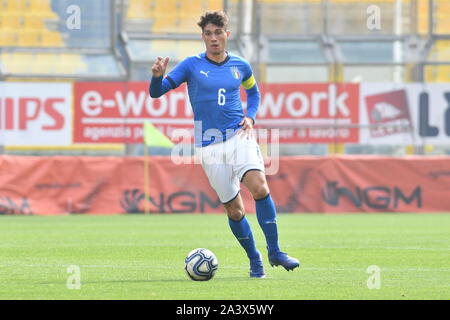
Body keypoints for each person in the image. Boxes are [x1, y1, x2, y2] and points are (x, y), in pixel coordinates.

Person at [149, 11, 299, 278]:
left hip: (239, 136)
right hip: (209, 146)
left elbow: (253, 92)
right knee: (235, 209)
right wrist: (157, 77)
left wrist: (251, 117)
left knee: (260, 187)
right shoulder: (190, 65)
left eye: (218, 33)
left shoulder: (241, 65)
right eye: (208, 34)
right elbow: (156, 93)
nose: (214, 38)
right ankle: (255, 261)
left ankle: (275, 251)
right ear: (203, 36)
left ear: (226, 35)